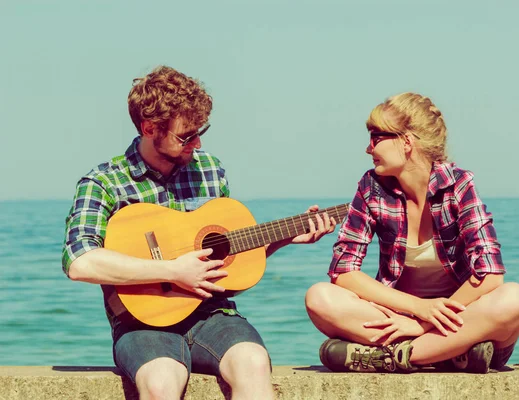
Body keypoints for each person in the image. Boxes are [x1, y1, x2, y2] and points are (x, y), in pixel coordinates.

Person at [62, 65, 336, 400]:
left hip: (213, 315)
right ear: (149, 128)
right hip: (143, 323)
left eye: (199, 131)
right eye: (186, 136)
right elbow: (80, 263)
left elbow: (226, 258)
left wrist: (284, 237)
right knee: (162, 382)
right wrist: (172, 271)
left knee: (253, 361)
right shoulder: (103, 183)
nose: (197, 142)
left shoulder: (209, 169)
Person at [305, 92, 519, 374]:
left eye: (376, 138)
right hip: (402, 317)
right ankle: (447, 355)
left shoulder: (458, 185)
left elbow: (490, 275)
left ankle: (391, 357)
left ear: (407, 141)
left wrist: (422, 323)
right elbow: (343, 272)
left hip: (457, 319)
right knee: (319, 297)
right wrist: (417, 309)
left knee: (515, 299)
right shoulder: (371, 186)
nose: (368, 148)